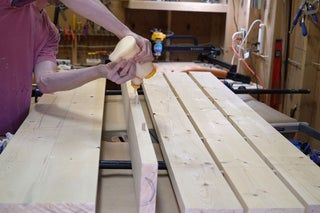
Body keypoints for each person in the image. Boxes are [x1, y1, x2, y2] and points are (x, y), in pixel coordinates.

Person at [0, 0, 154, 136]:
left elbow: (46, 82)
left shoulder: (49, 33)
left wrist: (101, 71)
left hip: (11, 132)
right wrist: (125, 32)